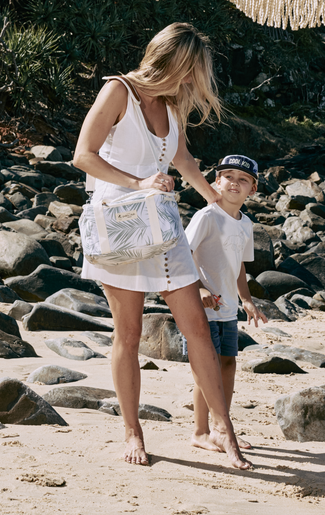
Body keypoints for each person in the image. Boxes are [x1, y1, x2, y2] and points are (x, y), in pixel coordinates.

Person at [73, 23, 252, 470]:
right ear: (173, 62)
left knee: (198, 329)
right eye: (191, 72)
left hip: (164, 227)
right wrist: (138, 182)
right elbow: (84, 156)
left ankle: (224, 431)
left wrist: (217, 201)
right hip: (120, 226)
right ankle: (132, 430)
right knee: (128, 334)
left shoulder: (172, 108)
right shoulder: (118, 91)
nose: (193, 82)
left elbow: (184, 160)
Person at [185, 154, 268, 453]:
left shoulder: (245, 224)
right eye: (228, 176)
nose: (235, 182)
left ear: (253, 189)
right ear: (216, 182)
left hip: (229, 307)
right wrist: (197, 289)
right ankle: (201, 431)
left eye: (243, 179)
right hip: (204, 308)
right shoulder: (207, 216)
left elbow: (240, 267)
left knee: (228, 364)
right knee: (205, 371)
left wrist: (247, 300)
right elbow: (183, 253)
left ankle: (222, 427)